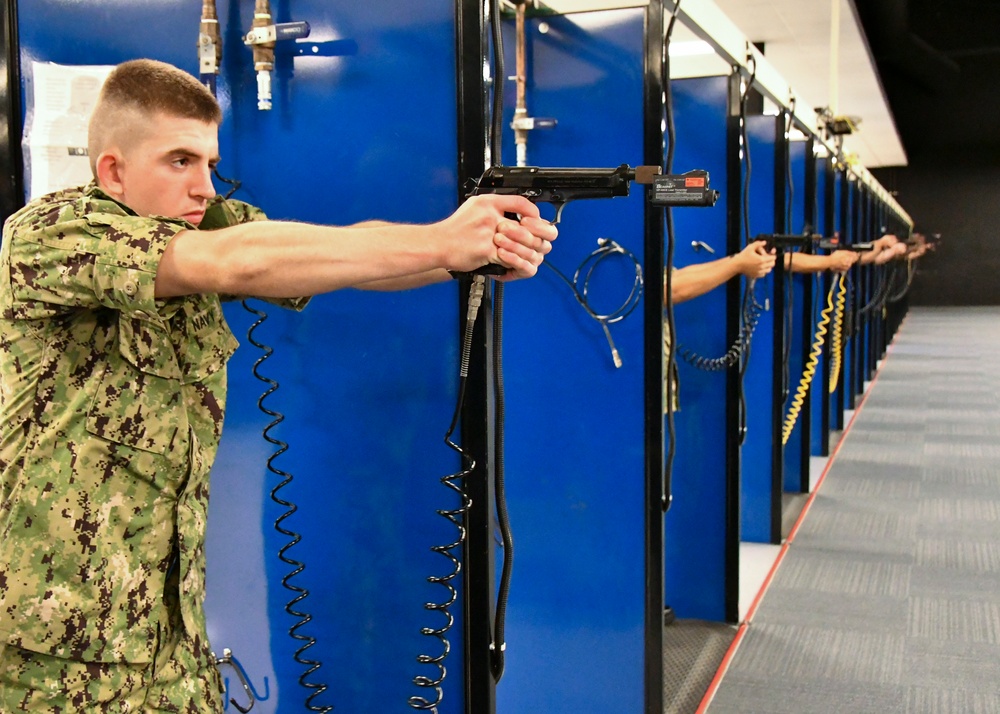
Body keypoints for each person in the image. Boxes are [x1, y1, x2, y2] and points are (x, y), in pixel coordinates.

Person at [0, 58, 557, 712]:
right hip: (52, 646)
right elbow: (240, 261)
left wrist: (462, 254)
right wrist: (440, 240)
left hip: (161, 631)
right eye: (179, 161)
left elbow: (341, 254)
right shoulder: (49, 234)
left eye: (209, 162)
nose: (204, 186)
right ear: (113, 171)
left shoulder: (202, 225)